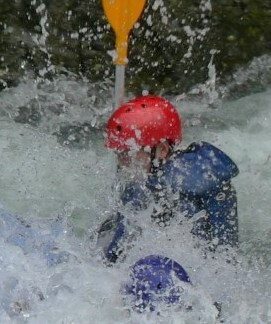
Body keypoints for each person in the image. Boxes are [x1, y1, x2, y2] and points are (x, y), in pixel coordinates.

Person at [97, 95, 239, 264]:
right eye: (119, 154)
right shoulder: (202, 170)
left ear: (162, 150)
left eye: (129, 153)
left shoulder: (159, 188)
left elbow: (115, 256)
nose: (122, 162)